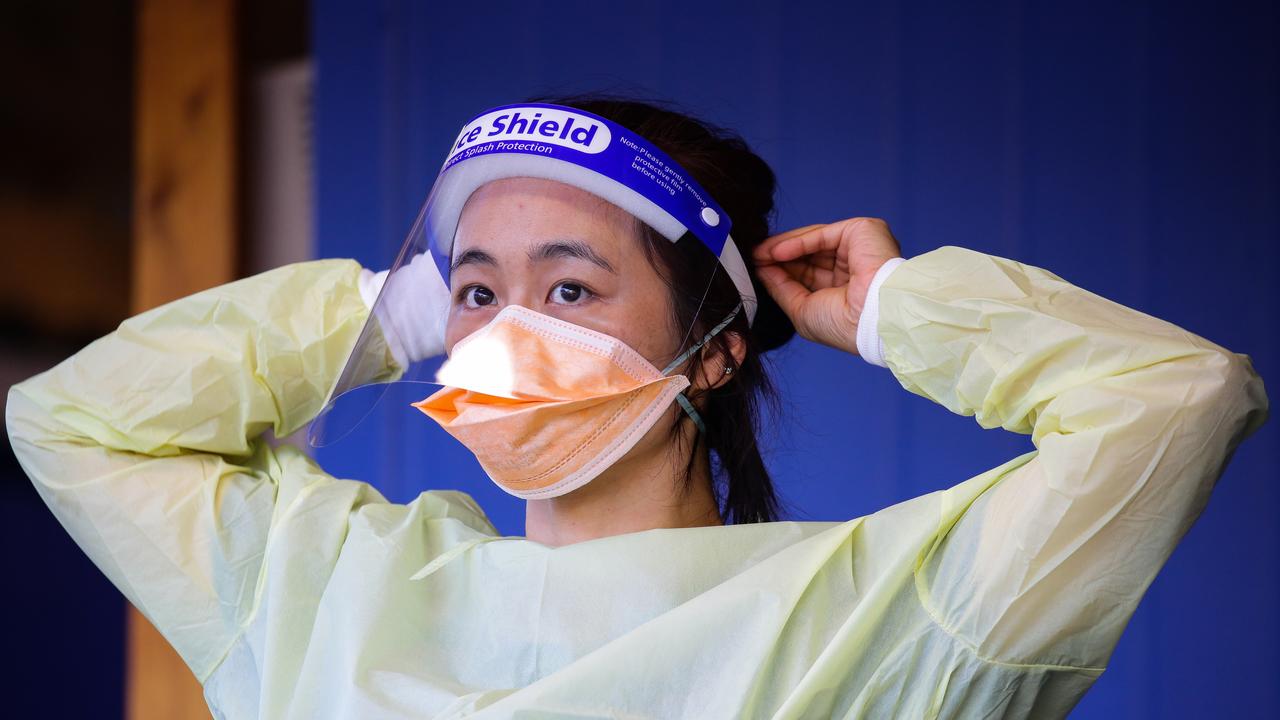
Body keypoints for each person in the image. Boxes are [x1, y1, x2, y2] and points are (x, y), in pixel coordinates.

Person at [5, 95, 1268, 719]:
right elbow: (69, 420)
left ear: (713, 351)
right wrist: (389, 315)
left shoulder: (879, 617)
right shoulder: (316, 588)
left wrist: (891, 310)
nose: (509, 334)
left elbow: (1175, 400)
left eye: (570, 286)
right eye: (476, 290)